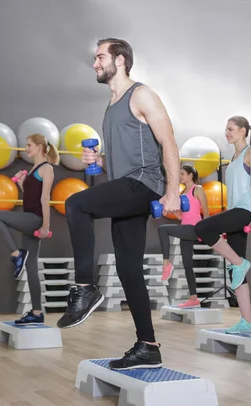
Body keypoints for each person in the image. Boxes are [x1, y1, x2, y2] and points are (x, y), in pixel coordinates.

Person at [57, 38, 181, 370]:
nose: (95, 63)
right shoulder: (112, 106)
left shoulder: (141, 94)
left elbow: (168, 140)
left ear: (120, 60)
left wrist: (172, 190)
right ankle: (148, 346)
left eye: (100, 57)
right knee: (128, 270)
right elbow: (124, 160)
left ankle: (84, 287)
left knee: (76, 204)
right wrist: (97, 159)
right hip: (127, 185)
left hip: (144, 184)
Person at [194, 116, 251, 333]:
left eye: (231, 129)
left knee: (202, 228)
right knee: (235, 274)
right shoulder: (233, 158)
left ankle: (240, 263)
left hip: (244, 212)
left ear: (243, 131)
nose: (227, 133)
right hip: (233, 212)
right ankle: (247, 322)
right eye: (226, 130)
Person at [0, 134, 59, 324]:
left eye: (29, 145)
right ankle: (37, 312)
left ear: (40, 147)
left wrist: (45, 225)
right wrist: (22, 184)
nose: (26, 149)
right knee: (31, 267)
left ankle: (16, 254)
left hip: (35, 220)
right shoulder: (34, 168)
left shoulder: (47, 169)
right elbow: (32, 197)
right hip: (31, 218)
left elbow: (45, 199)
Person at [158, 164, 209, 308]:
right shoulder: (182, 193)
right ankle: (193, 298)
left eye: (182, 174)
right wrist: (171, 211)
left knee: (163, 229)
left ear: (190, 175)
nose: (180, 177)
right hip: (185, 228)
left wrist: (206, 231)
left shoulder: (197, 189)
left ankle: (166, 264)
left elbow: (205, 211)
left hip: (194, 228)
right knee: (187, 264)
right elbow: (181, 216)